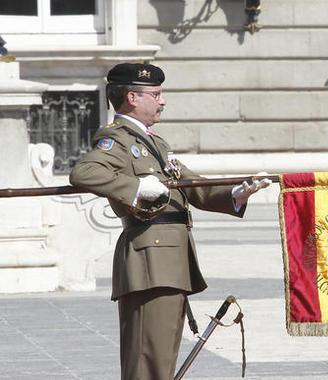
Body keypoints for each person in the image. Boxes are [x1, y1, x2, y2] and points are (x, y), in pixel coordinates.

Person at [69, 63, 270, 379]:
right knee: (147, 362)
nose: (162, 101)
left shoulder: (156, 144)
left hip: (169, 261)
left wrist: (236, 192)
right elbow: (84, 172)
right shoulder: (117, 140)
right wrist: (136, 188)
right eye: (156, 94)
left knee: (160, 360)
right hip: (150, 260)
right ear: (132, 97)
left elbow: (191, 186)